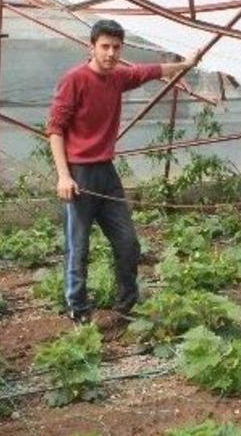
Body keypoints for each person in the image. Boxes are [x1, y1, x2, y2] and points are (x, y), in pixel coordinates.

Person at [47, 19, 198, 324]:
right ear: (91, 47)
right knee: (78, 247)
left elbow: (149, 72)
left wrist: (185, 64)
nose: (111, 53)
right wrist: (63, 176)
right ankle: (78, 309)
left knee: (128, 243)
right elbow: (54, 129)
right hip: (79, 174)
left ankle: (125, 306)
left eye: (116, 47)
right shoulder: (74, 79)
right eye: (104, 46)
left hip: (106, 172)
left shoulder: (117, 78)